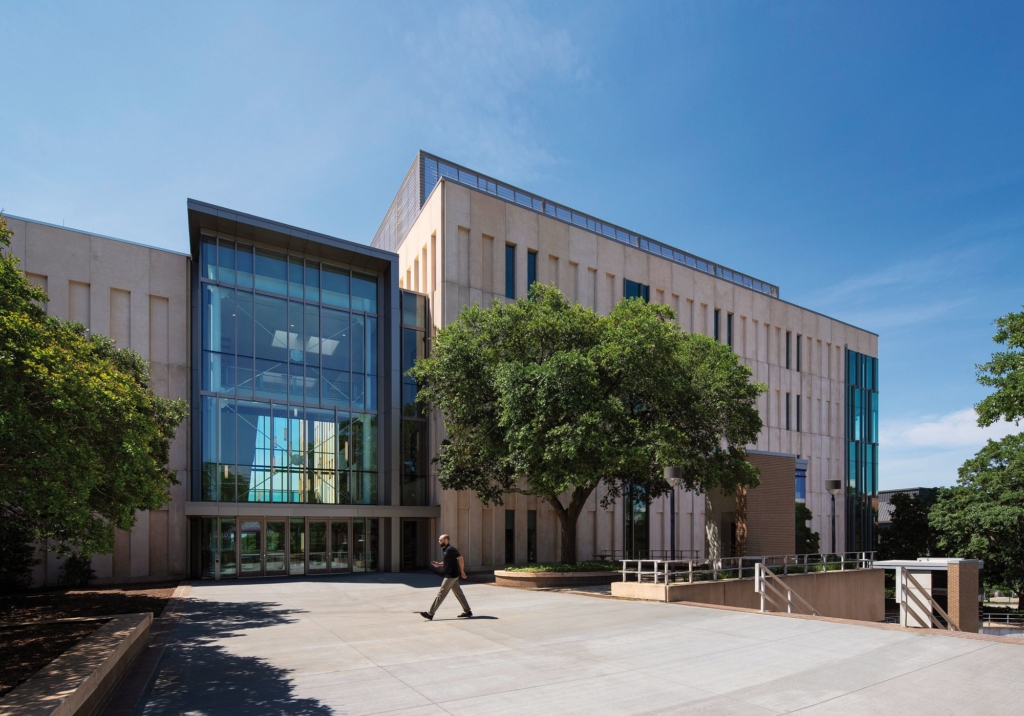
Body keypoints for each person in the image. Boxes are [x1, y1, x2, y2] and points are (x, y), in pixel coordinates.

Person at [420, 533, 472, 620]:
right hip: (452, 576)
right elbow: (447, 562)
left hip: (450, 576)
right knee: (459, 594)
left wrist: (462, 571)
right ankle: (467, 611)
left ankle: (430, 613)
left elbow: (460, 558)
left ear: (446, 540)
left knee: (441, 594)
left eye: (441, 540)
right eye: (439, 540)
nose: (439, 541)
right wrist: (438, 564)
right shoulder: (445, 550)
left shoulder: (450, 549)